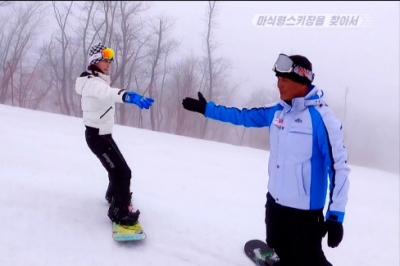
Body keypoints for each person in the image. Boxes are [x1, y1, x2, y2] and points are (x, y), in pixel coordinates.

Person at [181, 53, 350, 266]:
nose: (279, 85)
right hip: (275, 206)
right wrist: (207, 109)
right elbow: (242, 116)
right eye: (277, 79)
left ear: (302, 80)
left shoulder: (323, 119)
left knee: (310, 261)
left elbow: (338, 169)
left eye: (284, 80)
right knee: (278, 252)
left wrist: (335, 216)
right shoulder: (277, 111)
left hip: (304, 216)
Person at [75, 43, 154, 226]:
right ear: (95, 61)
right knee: (123, 172)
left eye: (110, 60)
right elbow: (108, 93)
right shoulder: (92, 83)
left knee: (117, 170)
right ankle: (119, 211)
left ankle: (115, 195)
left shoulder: (94, 81)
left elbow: (106, 91)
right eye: (105, 60)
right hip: (98, 137)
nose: (109, 63)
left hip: (102, 135)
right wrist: (129, 96)